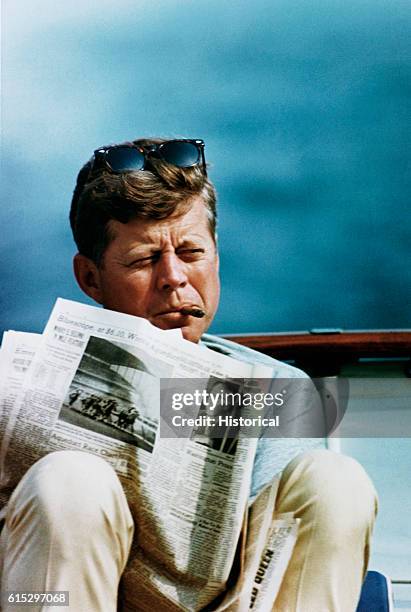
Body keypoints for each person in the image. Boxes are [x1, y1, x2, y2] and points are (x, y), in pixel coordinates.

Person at [0, 137, 378, 612]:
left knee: (334, 480)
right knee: (68, 478)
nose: (174, 278)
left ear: (216, 257)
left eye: (192, 253)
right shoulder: (21, 383)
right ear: (90, 278)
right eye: (143, 260)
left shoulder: (278, 390)